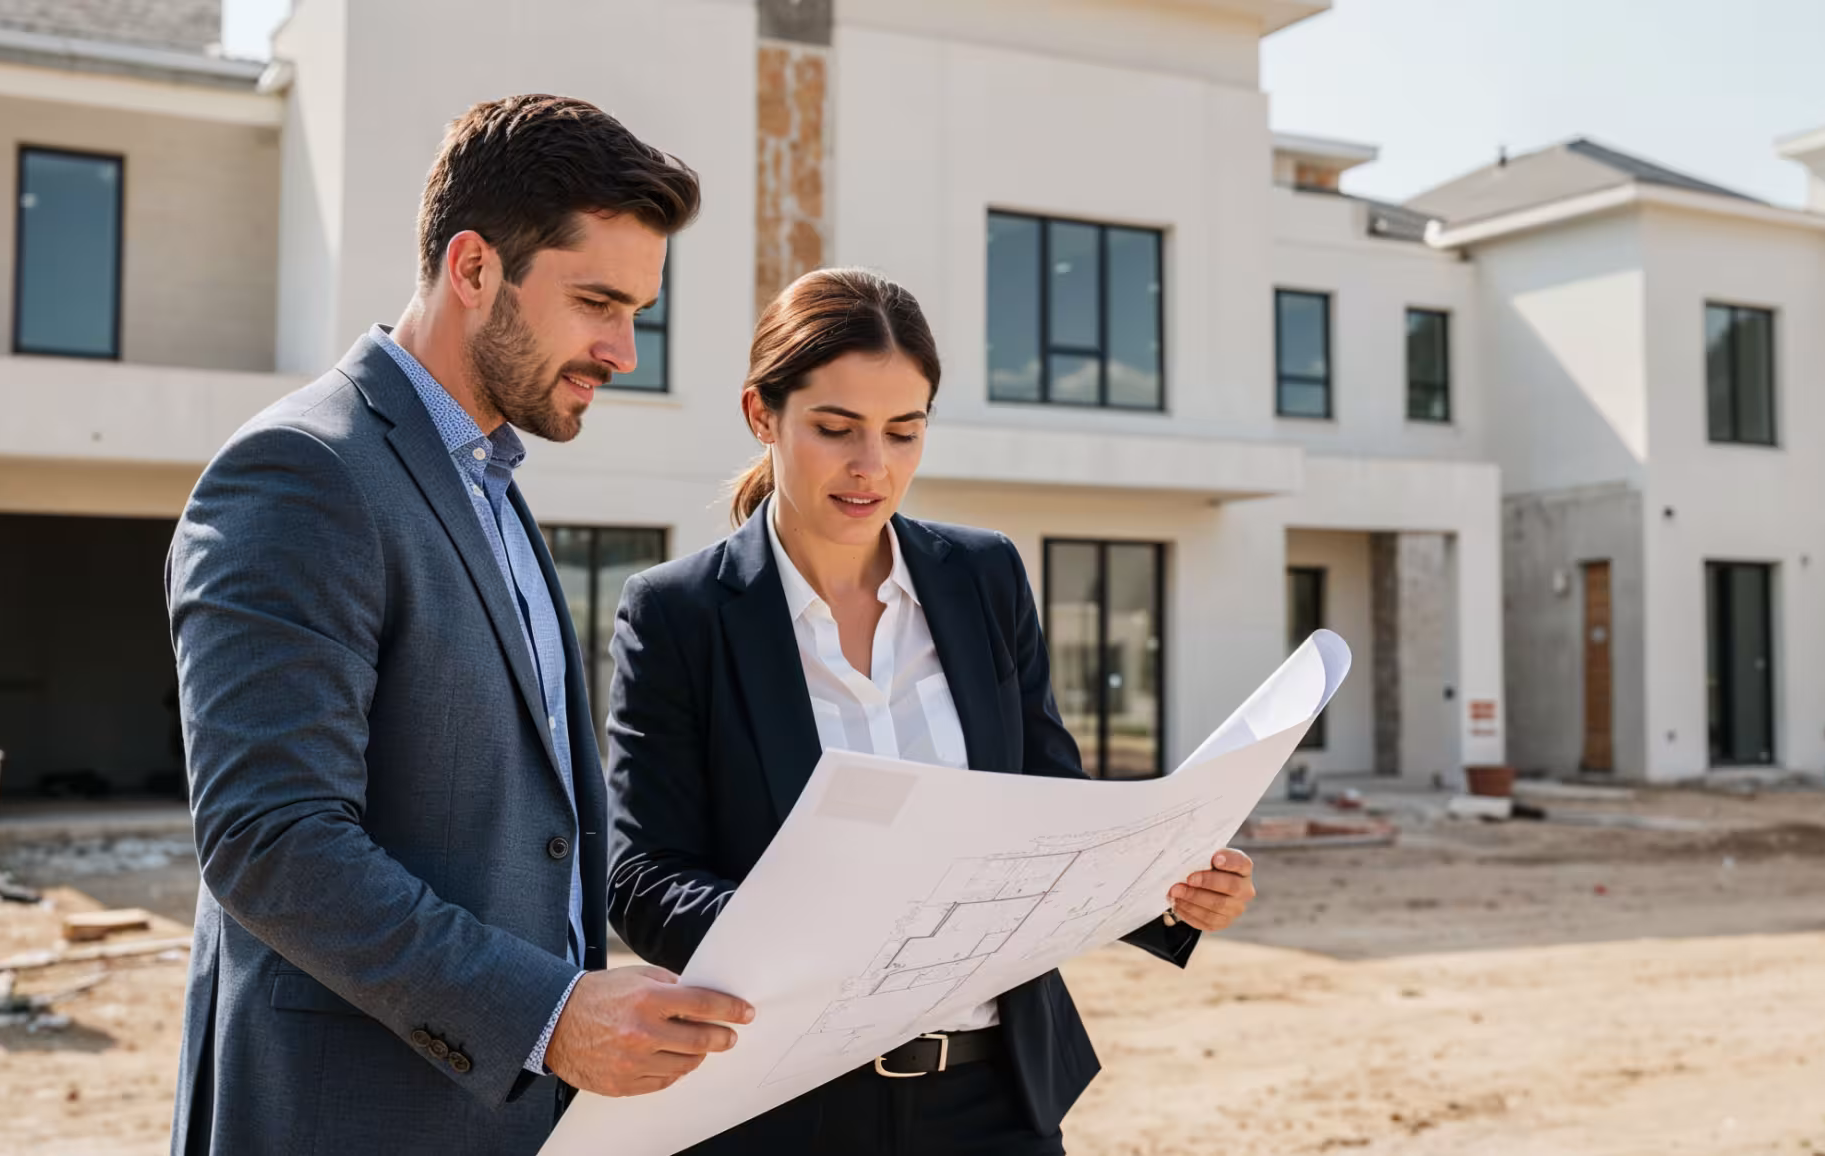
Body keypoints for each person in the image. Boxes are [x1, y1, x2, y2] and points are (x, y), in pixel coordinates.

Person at [166, 94, 753, 1156]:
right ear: (475, 267)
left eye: (637, 313)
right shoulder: (302, 473)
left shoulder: (493, 487)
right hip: (346, 1118)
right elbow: (269, 839)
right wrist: (545, 1016)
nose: (623, 349)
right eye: (597, 303)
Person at [604, 268, 1261, 1155]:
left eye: (903, 432)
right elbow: (643, 876)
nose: (872, 467)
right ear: (763, 415)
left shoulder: (984, 579)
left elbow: (1056, 811)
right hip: (781, 1107)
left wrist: (1174, 893)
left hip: (995, 1101)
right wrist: (822, 944)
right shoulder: (677, 614)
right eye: (835, 429)